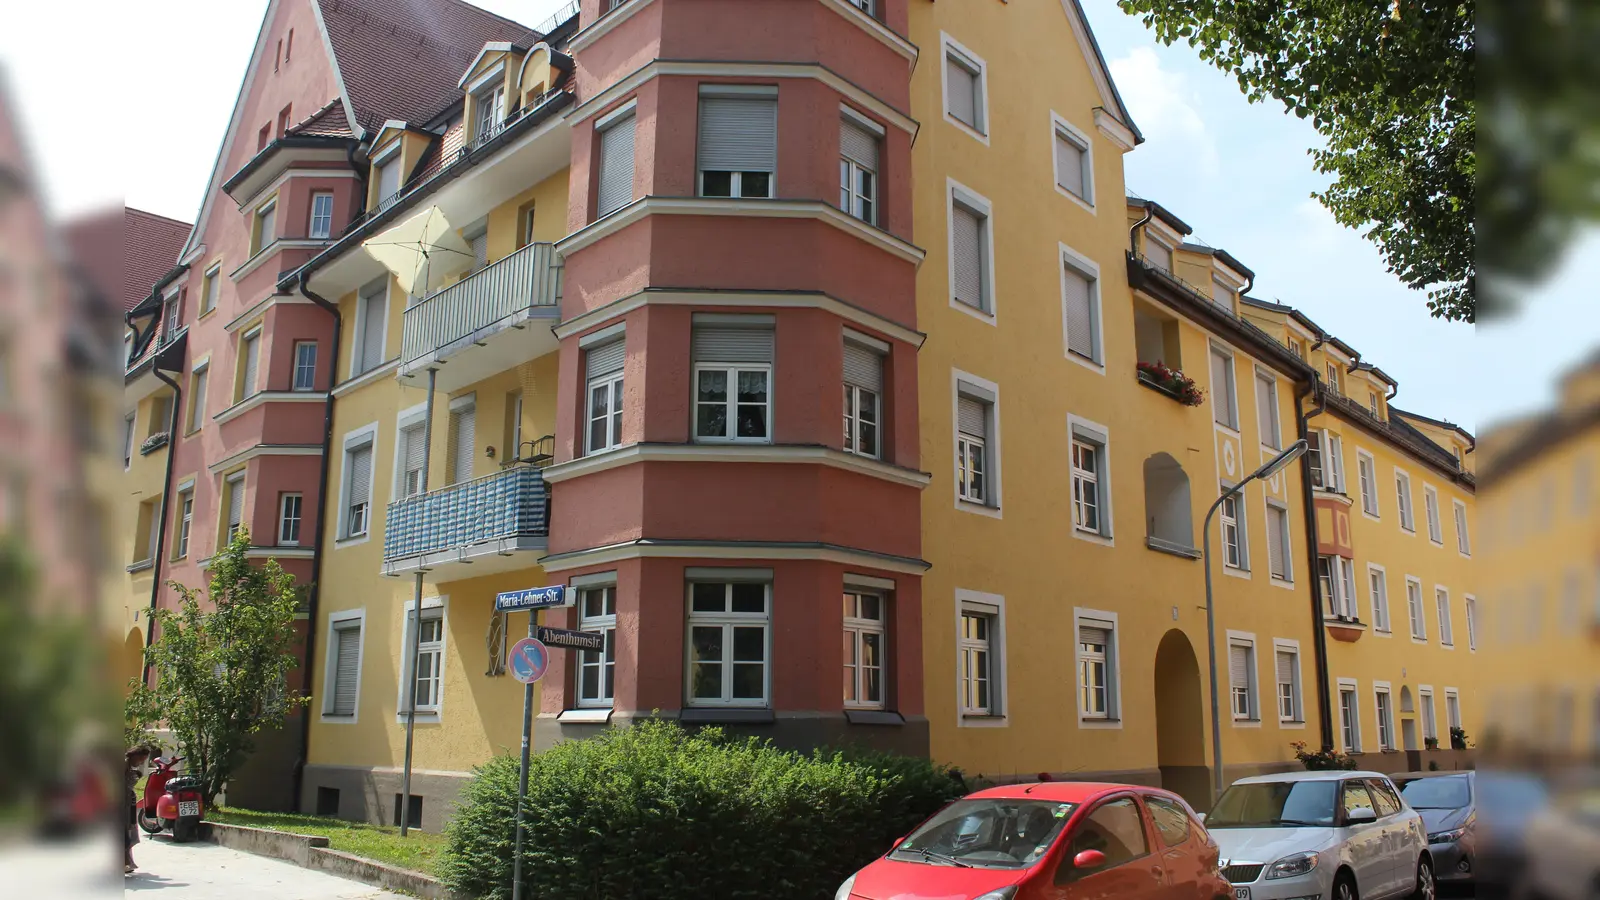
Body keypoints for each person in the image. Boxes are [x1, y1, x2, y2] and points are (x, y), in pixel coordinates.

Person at [124, 746, 151, 874]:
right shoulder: (123, 764)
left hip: (128, 802)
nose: (141, 762)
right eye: (140, 758)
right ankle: (125, 862)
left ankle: (127, 862)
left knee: (128, 832)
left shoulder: (129, 766)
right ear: (135, 755)